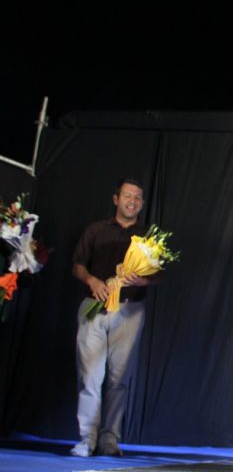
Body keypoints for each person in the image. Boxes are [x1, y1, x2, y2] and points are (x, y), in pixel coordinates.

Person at [70, 178, 157, 457]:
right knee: (89, 376)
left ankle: (109, 439)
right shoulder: (96, 230)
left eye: (138, 197)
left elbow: (157, 274)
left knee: (119, 378)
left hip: (129, 310)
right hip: (94, 306)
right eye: (128, 196)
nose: (132, 201)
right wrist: (93, 281)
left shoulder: (148, 236)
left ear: (142, 204)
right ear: (116, 199)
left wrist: (141, 281)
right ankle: (86, 438)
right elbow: (77, 265)